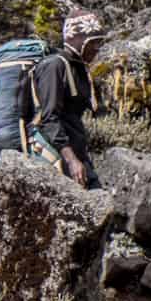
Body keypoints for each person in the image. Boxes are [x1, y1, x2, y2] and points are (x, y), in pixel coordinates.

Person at [25, 12, 108, 188]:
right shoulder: (54, 66)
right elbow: (48, 119)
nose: (97, 48)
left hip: (76, 155)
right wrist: (71, 161)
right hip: (54, 155)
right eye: (93, 42)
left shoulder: (78, 68)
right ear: (79, 41)